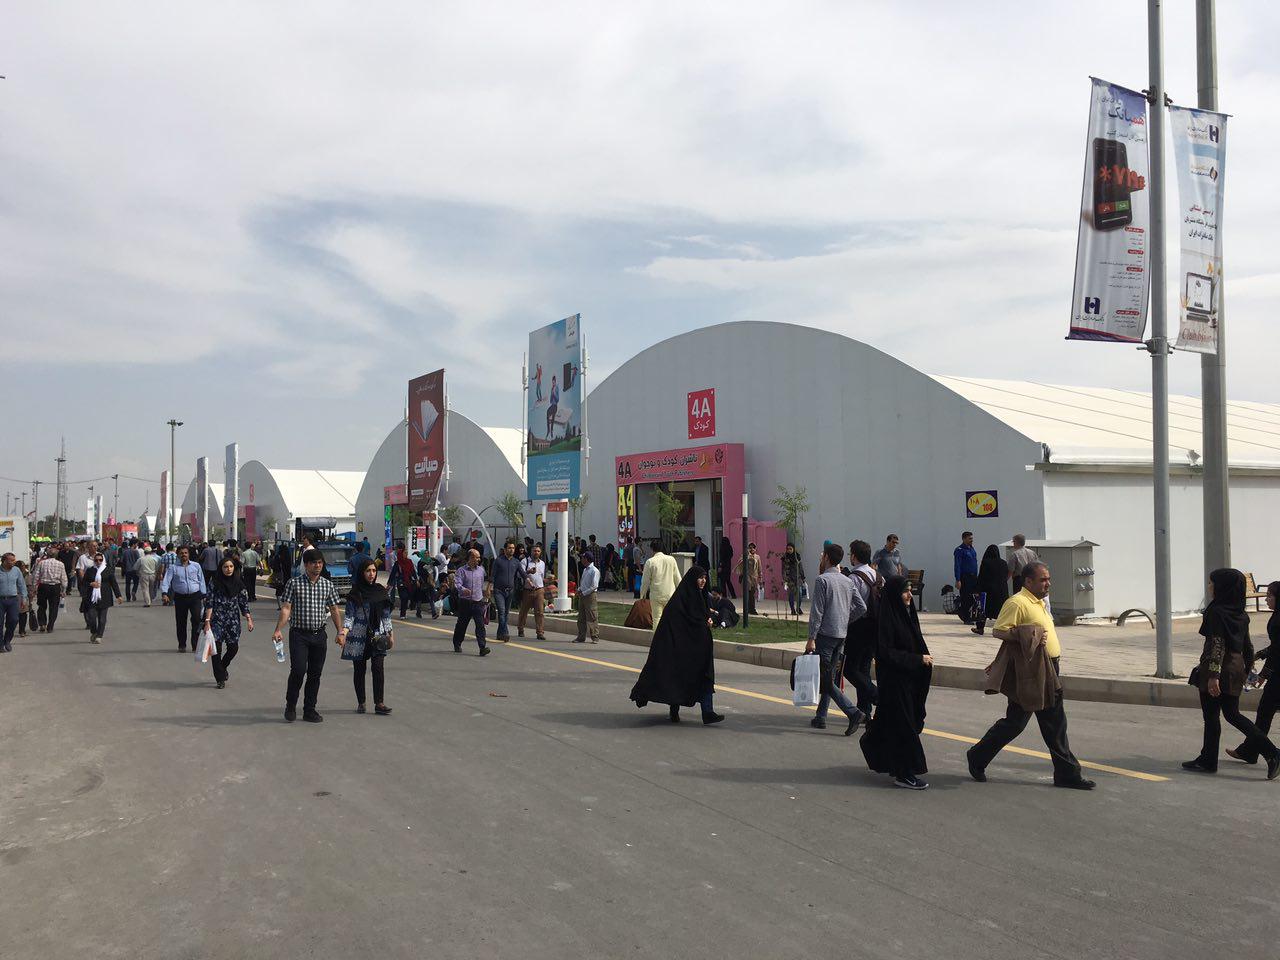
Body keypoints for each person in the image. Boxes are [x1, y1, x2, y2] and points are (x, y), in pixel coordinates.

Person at [966, 562, 1095, 789]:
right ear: (1028, 581)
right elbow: (999, 630)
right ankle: (977, 756)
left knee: (1055, 723)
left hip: (1049, 667)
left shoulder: (1040, 602)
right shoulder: (1017, 602)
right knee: (1016, 723)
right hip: (1031, 671)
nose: (1048, 584)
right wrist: (1029, 633)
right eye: (1043, 580)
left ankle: (1067, 774)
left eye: (1048, 579)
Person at [1183, 569, 1280, 779]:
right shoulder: (1240, 613)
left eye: (1212, 583)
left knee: (1212, 716)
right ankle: (1271, 753)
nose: (1210, 587)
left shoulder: (1216, 612)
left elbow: (1217, 644)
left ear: (1222, 587)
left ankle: (1209, 760)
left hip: (1218, 668)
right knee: (1232, 714)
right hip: (1236, 668)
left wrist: (1213, 675)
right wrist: (1247, 670)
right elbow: (1247, 645)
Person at [859, 575, 934, 789]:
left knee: (891, 724)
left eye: (910, 590)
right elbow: (886, 653)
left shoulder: (906, 614)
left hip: (908, 681)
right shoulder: (887, 620)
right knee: (904, 728)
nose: (909, 595)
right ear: (894, 595)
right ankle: (905, 773)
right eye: (905, 591)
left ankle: (880, 754)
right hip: (894, 682)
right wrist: (917, 659)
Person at [629, 566, 724, 725]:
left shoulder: (701, 597)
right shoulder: (679, 601)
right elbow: (672, 625)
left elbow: (703, 616)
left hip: (700, 649)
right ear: (692, 579)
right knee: (677, 678)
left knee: (704, 677)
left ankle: (707, 712)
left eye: (705, 578)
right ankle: (674, 710)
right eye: (700, 578)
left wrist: (708, 621)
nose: (703, 581)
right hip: (681, 649)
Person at [273, 548, 344, 723]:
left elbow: (334, 609)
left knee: (315, 674)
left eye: (320, 563)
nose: (317, 566)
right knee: (298, 670)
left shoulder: (327, 585)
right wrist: (278, 629)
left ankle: (309, 710)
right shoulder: (294, 583)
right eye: (314, 563)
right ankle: (290, 706)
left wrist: (340, 631)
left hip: (319, 636)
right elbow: (286, 608)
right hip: (299, 635)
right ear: (306, 565)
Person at [804, 543, 865, 735]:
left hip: (825, 636)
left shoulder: (822, 580)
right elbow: (861, 607)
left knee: (826, 679)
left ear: (827, 558)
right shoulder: (847, 581)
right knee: (829, 677)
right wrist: (845, 619)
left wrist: (811, 637)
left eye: (823, 556)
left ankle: (853, 712)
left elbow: (817, 612)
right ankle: (821, 716)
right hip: (841, 635)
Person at [1229, 581, 1280, 766]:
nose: (1266, 600)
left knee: (1265, 713)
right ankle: (1249, 751)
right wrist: (1261, 653)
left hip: (1278, 676)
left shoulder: (1277, 620)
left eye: (1270, 596)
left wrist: (1264, 674)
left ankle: (1253, 751)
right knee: (1265, 713)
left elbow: (1278, 651)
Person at [339, 558, 394, 715]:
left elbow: (386, 616)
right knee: (359, 670)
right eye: (368, 571)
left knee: (378, 668)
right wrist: (344, 633)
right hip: (358, 637)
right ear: (361, 573)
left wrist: (390, 635)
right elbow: (349, 617)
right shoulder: (355, 594)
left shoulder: (380, 591)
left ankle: (379, 703)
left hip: (378, 636)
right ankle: (361, 702)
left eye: (374, 571)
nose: (371, 574)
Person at [202, 556, 253, 689]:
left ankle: (222, 666)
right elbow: (209, 602)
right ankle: (219, 679)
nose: (228, 569)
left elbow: (243, 603)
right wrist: (207, 621)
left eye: (231, 566)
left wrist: (248, 619)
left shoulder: (239, 583)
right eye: (225, 567)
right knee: (216, 650)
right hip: (217, 619)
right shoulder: (214, 582)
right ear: (221, 568)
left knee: (233, 648)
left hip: (232, 620)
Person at [843, 539, 880, 718]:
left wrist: (847, 622)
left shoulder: (853, 578)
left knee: (849, 669)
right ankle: (865, 709)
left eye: (850, 554)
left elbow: (851, 606)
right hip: (876, 627)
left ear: (855, 556)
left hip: (858, 627)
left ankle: (876, 694)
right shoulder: (878, 576)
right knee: (864, 668)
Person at [160, 546, 207, 652]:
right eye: (181, 553)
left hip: (195, 597)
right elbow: (166, 581)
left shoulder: (196, 566)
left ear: (188, 554)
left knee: (197, 620)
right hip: (180, 597)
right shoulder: (173, 568)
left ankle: (195, 644)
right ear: (178, 555)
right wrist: (164, 593)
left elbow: (201, 581)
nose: (184, 555)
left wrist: (204, 595)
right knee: (181, 622)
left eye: (186, 553)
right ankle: (182, 645)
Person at [451, 548, 491, 656]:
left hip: (478, 601)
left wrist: (486, 592)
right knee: (462, 624)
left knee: (480, 625)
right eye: (477, 557)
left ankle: (482, 647)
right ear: (471, 558)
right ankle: (457, 643)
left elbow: (482, 583)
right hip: (465, 602)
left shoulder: (481, 570)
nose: (479, 559)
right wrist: (463, 589)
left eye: (479, 557)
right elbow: (457, 583)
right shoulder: (461, 570)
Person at [80, 549, 121, 644]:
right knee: (91, 618)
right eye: (96, 560)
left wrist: (118, 595)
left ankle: (99, 636)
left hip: (105, 597)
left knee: (102, 619)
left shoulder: (108, 570)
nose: (98, 562)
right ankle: (94, 632)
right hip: (92, 598)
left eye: (100, 560)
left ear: (103, 560)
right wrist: (91, 584)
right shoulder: (90, 570)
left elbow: (114, 583)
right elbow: (83, 583)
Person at [639, 540, 681, 625]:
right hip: (670, 594)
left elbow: (645, 581)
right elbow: (677, 578)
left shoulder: (650, 562)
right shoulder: (671, 559)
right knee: (670, 618)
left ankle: (657, 634)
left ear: (652, 549)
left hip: (656, 595)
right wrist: (681, 593)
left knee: (657, 619)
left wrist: (642, 594)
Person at [972, 544, 1010, 636]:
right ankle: (1003, 629)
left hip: (989, 591)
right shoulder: (1004, 563)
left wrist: (977, 590)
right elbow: (1005, 576)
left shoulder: (986, 562)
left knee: (983, 610)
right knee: (1001, 611)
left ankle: (980, 628)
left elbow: (981, 577)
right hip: (1002, 591)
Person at [32, 547, 68, 632]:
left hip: (43, 586)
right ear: (56, 555)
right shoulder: (60, 564)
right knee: (54, 607)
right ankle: (50, 625)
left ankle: (42, 624)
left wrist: (34, 587)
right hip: (55, 587)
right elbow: (63, 578)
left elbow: (36, 575)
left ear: (47, 554)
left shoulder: (42, 563)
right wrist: (64, 590)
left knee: (41, 606)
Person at [517, 544, 547, 640]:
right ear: (531, 552)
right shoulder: (524, 561)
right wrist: (528, 571)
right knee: (524, 611)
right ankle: (521, 629)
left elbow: (542, 577)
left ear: (540, 552)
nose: (536, 553)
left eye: (538, 551)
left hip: (539, 590)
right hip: (527, 590)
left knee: (540, 612)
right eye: (534, 551)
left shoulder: (542, 563)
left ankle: (540, 632)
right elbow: (519, 574)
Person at [491, 540, 520, 641]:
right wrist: (488, 588)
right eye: (509, 548)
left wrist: (529, 579)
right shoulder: (498, 561)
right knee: (502, 612)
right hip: (499, 591)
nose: (511, 550)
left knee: (506, 613)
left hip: (510, 591)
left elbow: (522, 573)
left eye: (513, 548)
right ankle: (505, 633)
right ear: (505, 549)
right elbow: (493, 575)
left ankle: (499, 634)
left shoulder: (516, 562)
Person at [0, 552, 28, 652]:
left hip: (13, 600)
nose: (13, 562)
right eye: (11, 560)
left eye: (14, 560)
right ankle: (0, 644)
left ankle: (7, 640)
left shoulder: (16, 570)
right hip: (1, 600)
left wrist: (24, 599)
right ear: (4, 561)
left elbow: (21, 585)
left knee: (14, 620)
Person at [953, 531, 979, 623]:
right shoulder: (960, 550)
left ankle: (969, 615)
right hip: (965, 577)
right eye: (969, 538)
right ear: (964, 539)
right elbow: (957, 565)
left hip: (973, 577)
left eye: (972, 538)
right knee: (965, 597)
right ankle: (966, 617)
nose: (972, 540)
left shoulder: (972, 549)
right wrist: (958, 579)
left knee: (973, 597)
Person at [575, 551, 600, 643]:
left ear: (586, 559)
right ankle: (581, 637)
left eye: (582, 558)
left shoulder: (594, 570)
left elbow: (594, 586)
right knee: (581, 618)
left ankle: (595, 636)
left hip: (590, 596)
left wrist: (584, 593)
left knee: (592, 617)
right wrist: (579, 589)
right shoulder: (585, 570)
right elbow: (583, 583)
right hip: (582, 594)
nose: (581, 559)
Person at [734, 542, 762, 615]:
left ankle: (752, 609)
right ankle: (746, 609)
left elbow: (759, 568)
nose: (752, 549)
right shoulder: (744, 556)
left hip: (754, 578)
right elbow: (740, 564)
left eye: (753, 547)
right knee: (746, 594)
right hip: (746, 577)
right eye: (750, 547)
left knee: (752, 594)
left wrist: (760, 578)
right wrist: (747, 556)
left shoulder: (757, 557)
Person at [781, 542, 806, 616]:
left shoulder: (797, 557)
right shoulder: (785, 558)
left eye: (790, 549)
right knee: (791, 595)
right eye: (787, 549)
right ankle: (792, 609)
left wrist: (803, 577)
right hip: (790, 579)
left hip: (798, 578)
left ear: (793, 549)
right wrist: (785, 579)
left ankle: (798, 608)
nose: (789, 550)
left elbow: (800, 567)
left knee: (800, 594)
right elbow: (783, 570)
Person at [545, 374, 559, 438]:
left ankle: (551, 431)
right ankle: (548, 430)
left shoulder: (557, 388)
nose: (553, 384)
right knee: (547, 412)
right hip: (552, 405)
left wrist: (554, 393)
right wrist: (550, 397)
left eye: (554, 382)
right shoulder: (552, 388)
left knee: (553, 417)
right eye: (552, 382)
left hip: (555, 406)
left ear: (555, 382)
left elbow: (557, 399)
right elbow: (551, 400)